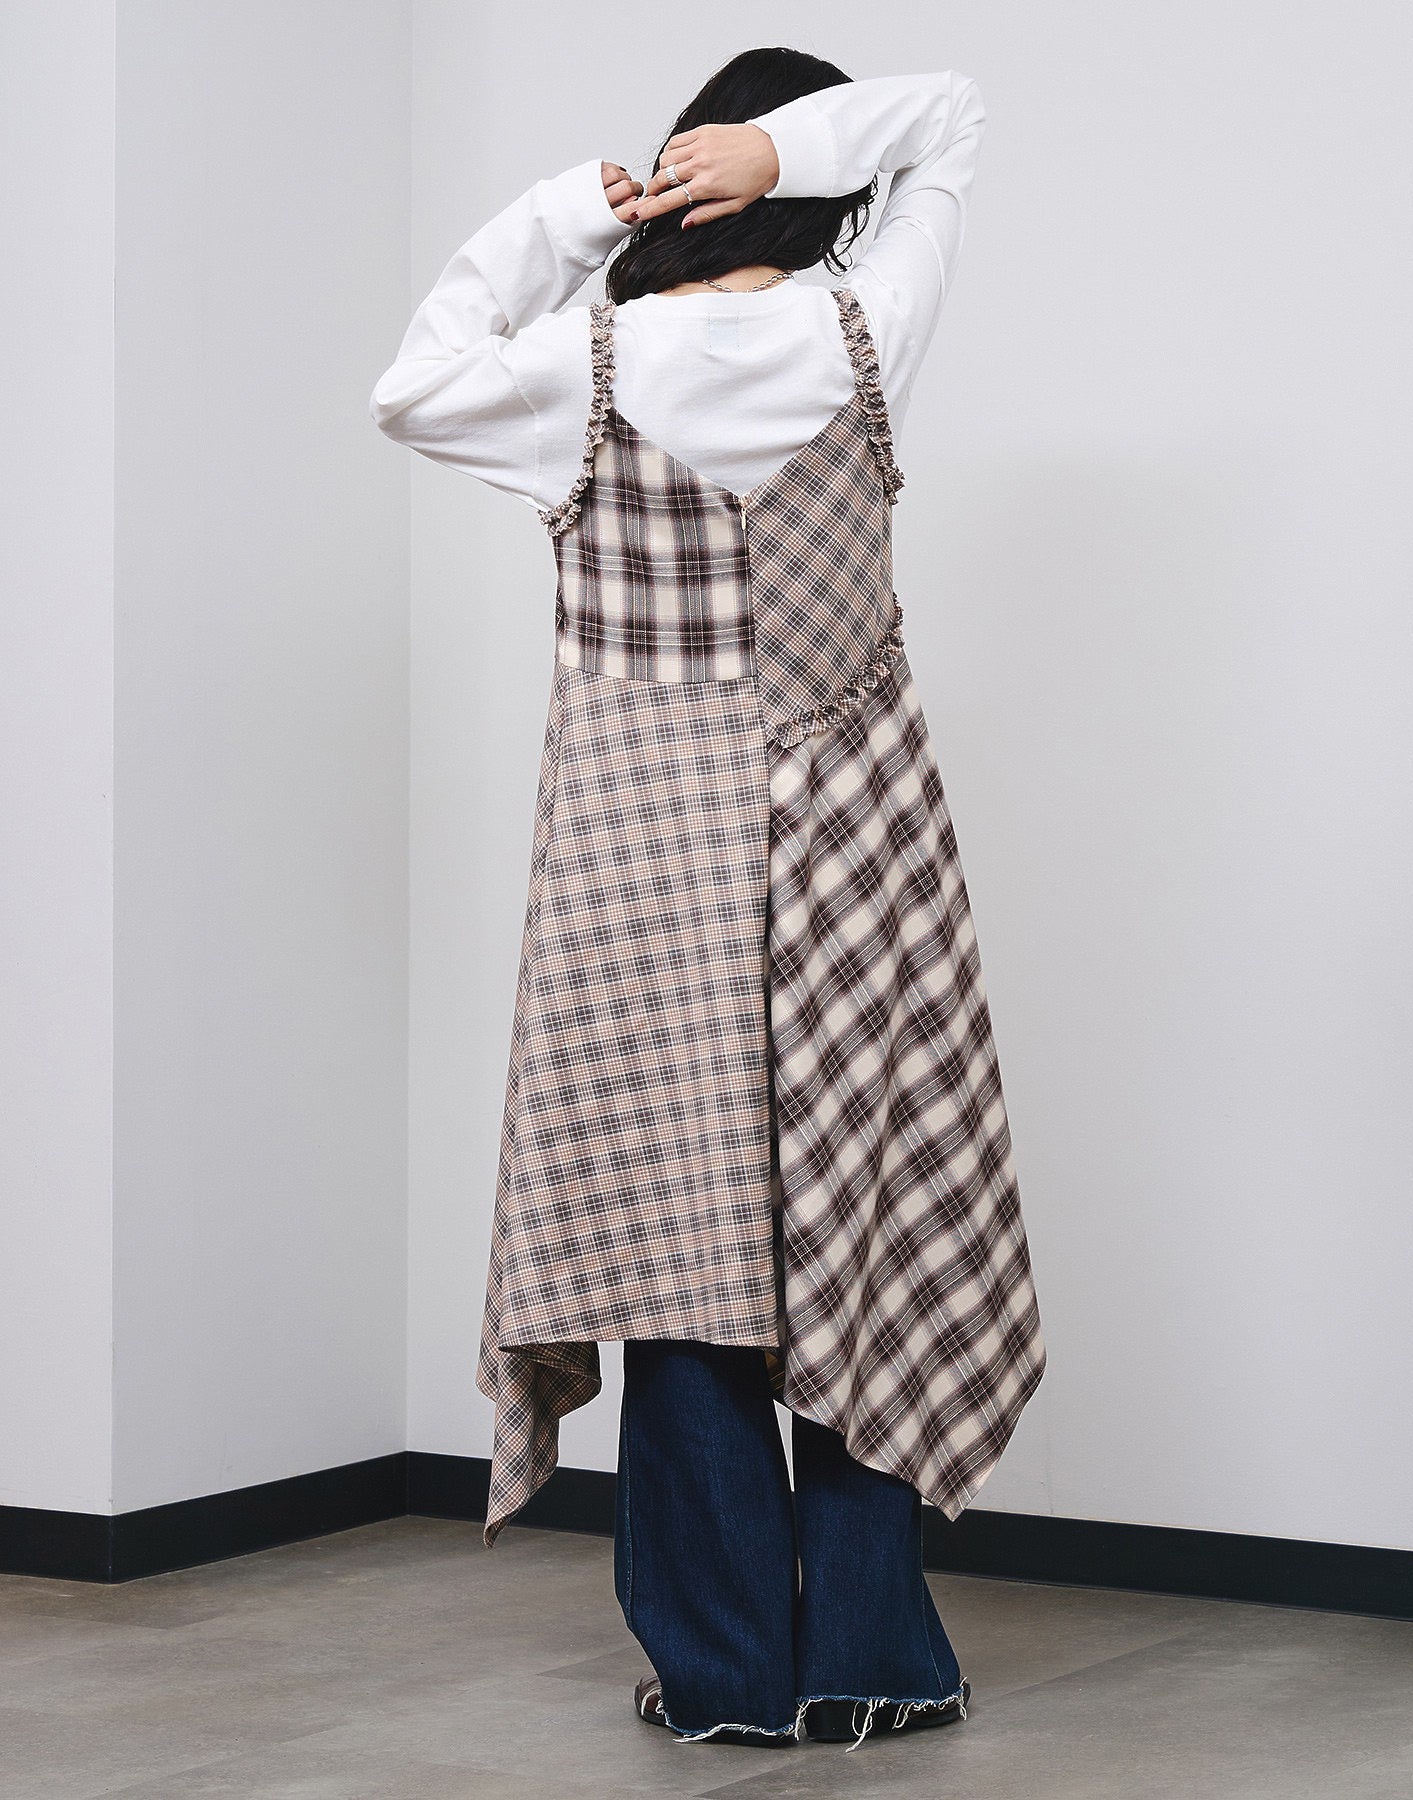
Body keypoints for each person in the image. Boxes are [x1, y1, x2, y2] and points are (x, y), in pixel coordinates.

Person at [370, 48, 1046, 1751]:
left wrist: (563, 212)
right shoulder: (869, 328)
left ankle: (728, 1670)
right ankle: (873, 1661)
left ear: (687, 181)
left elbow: (411, 384)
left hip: (639, 860)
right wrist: (787, 149)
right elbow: (949, 117)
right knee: (864, 1230)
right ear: (812, 193)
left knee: (679, 1244)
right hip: (858, 849)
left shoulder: (576, 368)